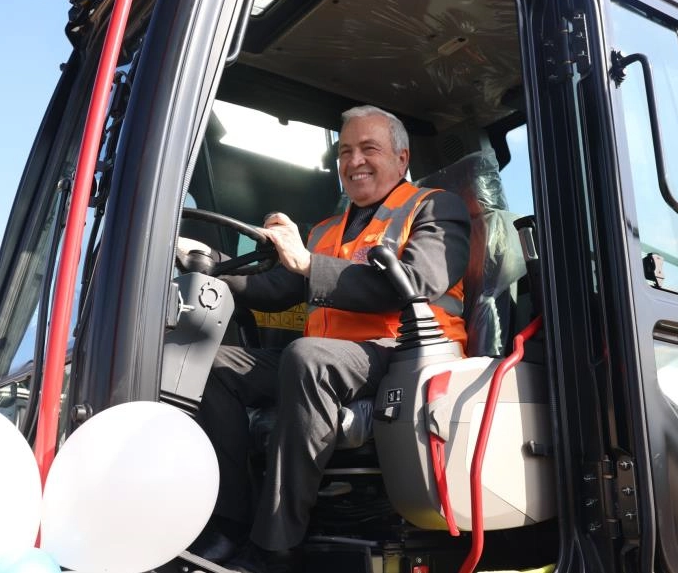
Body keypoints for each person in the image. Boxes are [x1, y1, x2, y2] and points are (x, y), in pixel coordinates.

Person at [193, 105, 471, 573]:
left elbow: (418, 281)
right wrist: (206, 260)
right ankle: (229, 524)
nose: (354, 161)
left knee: (307, 357)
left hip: (407, 356)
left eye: (368, 148)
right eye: (345, 152)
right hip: (334, 361)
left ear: (402, 159)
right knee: (214, 366)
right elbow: (273, 290)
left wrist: (307, 264)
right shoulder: (325, 230)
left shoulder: (435, 208)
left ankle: (275, 547)